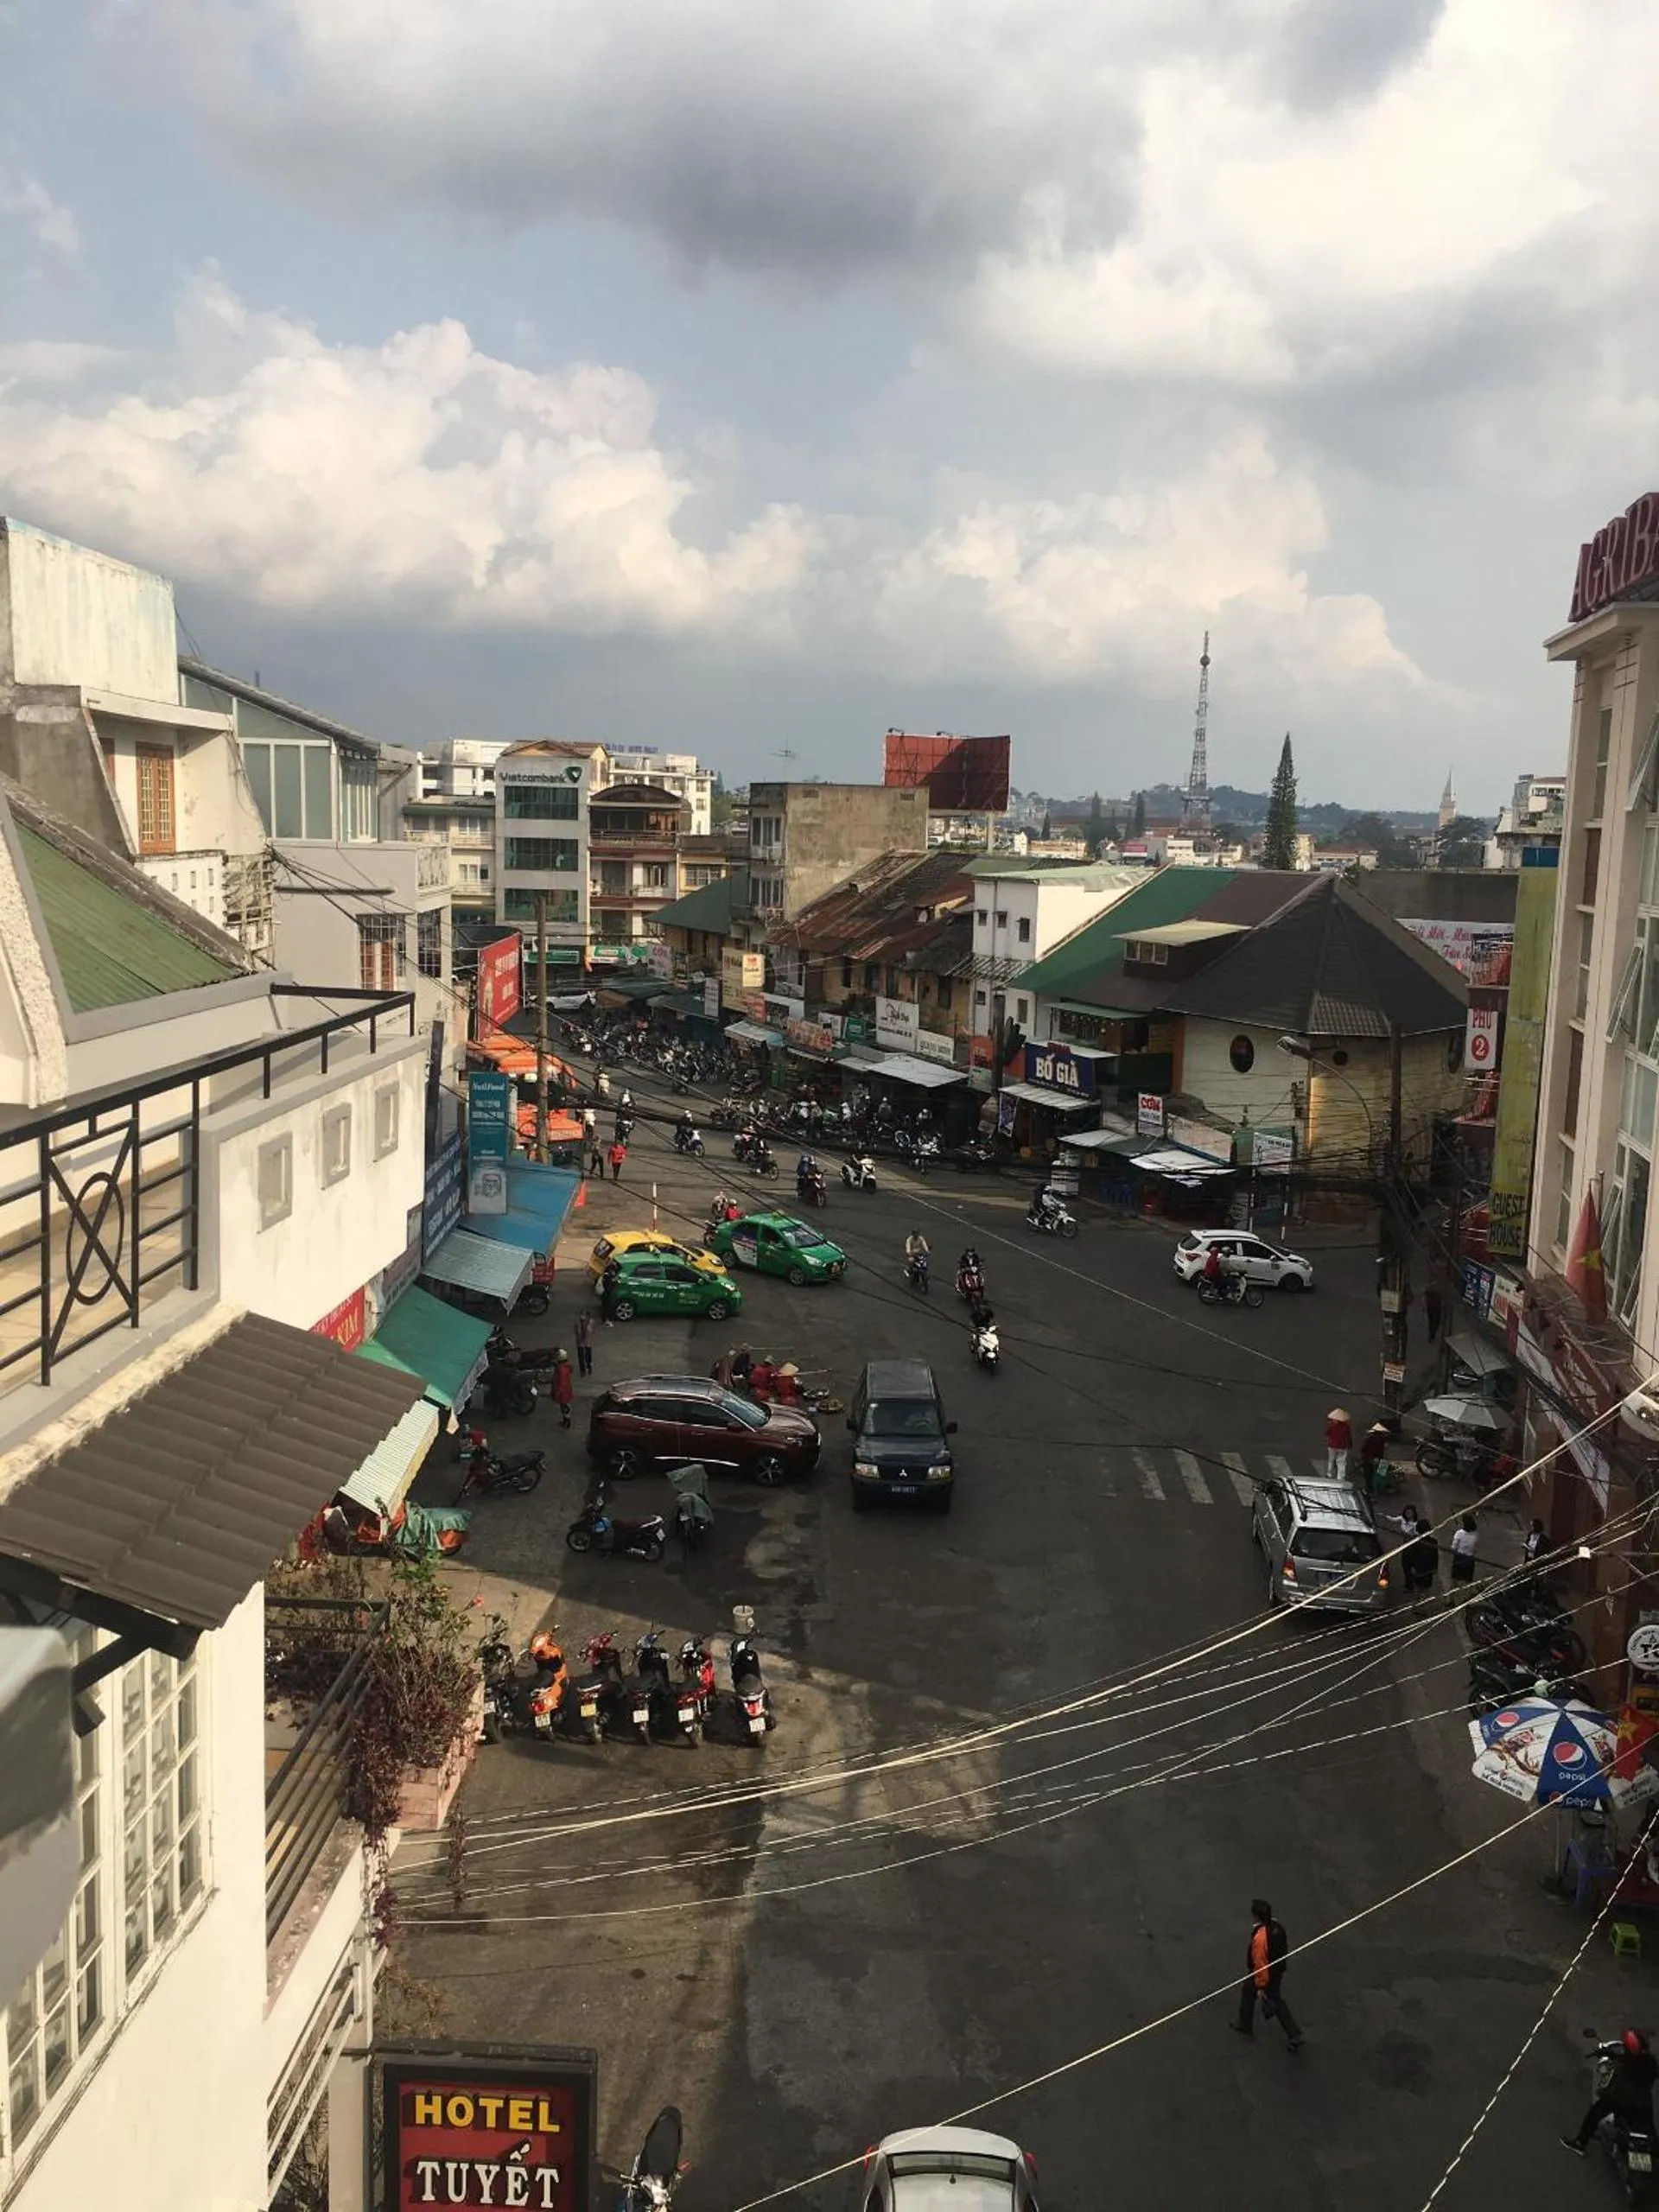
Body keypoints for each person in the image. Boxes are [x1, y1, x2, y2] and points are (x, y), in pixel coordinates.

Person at [1563, 2029, 1658, 2156]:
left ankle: (1580, 2143)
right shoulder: (1651, 2063)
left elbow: (1614, 2054)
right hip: (1643, 2104)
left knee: (1595, 2112)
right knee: (1650, 2130)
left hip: (1620, 2100)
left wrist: (1601, 2052)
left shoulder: (1626, 2059)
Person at [1230, 1899, 1302, 2050]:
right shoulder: (1277, 1927)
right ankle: (1244, 2023)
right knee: (1248, 1990)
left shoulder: (1260, 1938)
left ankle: (1294, 2035)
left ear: (1257, 1916)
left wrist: (1261, 1987)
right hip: (1277, 1970)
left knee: (1273, 2000)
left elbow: (1261, 1963)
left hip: (1266, 1974)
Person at [1359, 1421, 1391, 1494]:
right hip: (1378, 1459)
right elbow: (1381, 1451)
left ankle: (1370, 1489)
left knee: (1368, 1475)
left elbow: (1363, 1449)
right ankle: (1379, 1487)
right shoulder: (1381, 1439)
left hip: (1367, 1459)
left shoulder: (1368, 1438)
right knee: (1380, 1474)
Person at [1450, 1514, 1479, 1586]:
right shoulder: (1476, 1534)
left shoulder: (1459, 1533)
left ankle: (1453, 1596)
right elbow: (1476, 1549)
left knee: (1455, 1581)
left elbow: (1453, 1548)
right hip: (1470, 1560)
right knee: (1467, 1582)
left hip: (1459, 1558)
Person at [1325, 1407, 1352, 1481]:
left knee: (1331, 1459)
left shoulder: (1332, 1426)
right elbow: (1348, 1437)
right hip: (1342, 1446)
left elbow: (1327, 1433)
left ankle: (1329, 1473)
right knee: (1341, 1462)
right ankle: (1341, 1477)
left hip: (1332, 1445)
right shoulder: (1346, 1427)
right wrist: (1350, 1445)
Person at [550, 1351, 575, 1429]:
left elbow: (562, 1383)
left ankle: (567, 1422)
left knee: (564, 1407)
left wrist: (557, 1392)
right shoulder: (565, 1368)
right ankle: (566, 1421)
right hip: (566, 1390)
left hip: (563, 1392)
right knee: (564, 1406)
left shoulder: (561, 1370)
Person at [600, 1258, 621, 1325]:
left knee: (608, 1306)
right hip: (607, 1293)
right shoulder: (607, 1273)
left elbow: (619, 1268)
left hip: (608, 1292)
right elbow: (608, 1283)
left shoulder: (610, 1269)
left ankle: (606, 1319)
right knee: (607, 1307)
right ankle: (606, 1320)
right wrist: (615, 1280)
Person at [574, 1307, 594, 1378]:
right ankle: (582, 1370)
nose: (582, 1317)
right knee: (581, 1356)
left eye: (584, 1315)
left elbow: (589, 1332)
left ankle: (589, 1366)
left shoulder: (590, 1322)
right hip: (580, 1342)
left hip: (587, 1341)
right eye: (581, 1315)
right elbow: (577, 1332)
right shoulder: (577, 1322)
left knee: (588, 1356)